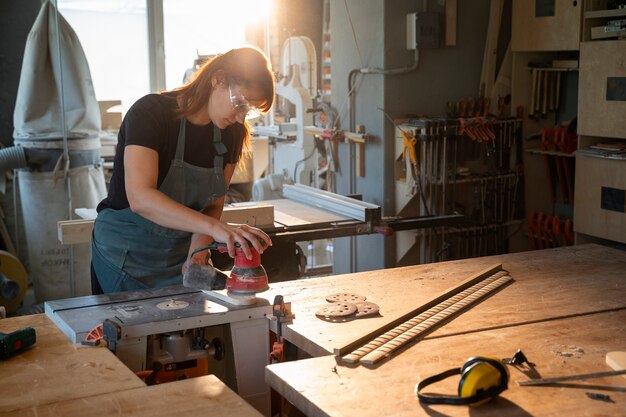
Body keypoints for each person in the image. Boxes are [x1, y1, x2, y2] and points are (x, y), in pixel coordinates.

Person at [91, 46, 274, 294]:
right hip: (126, 254)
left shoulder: (232, 134)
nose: (241, 118)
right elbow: (140, 198)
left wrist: (196, 257)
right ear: (217, 79)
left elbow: (212, 205)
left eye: (248, 112)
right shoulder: (149, 113)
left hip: (178, 257)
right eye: (240, 104)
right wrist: (215, 229)